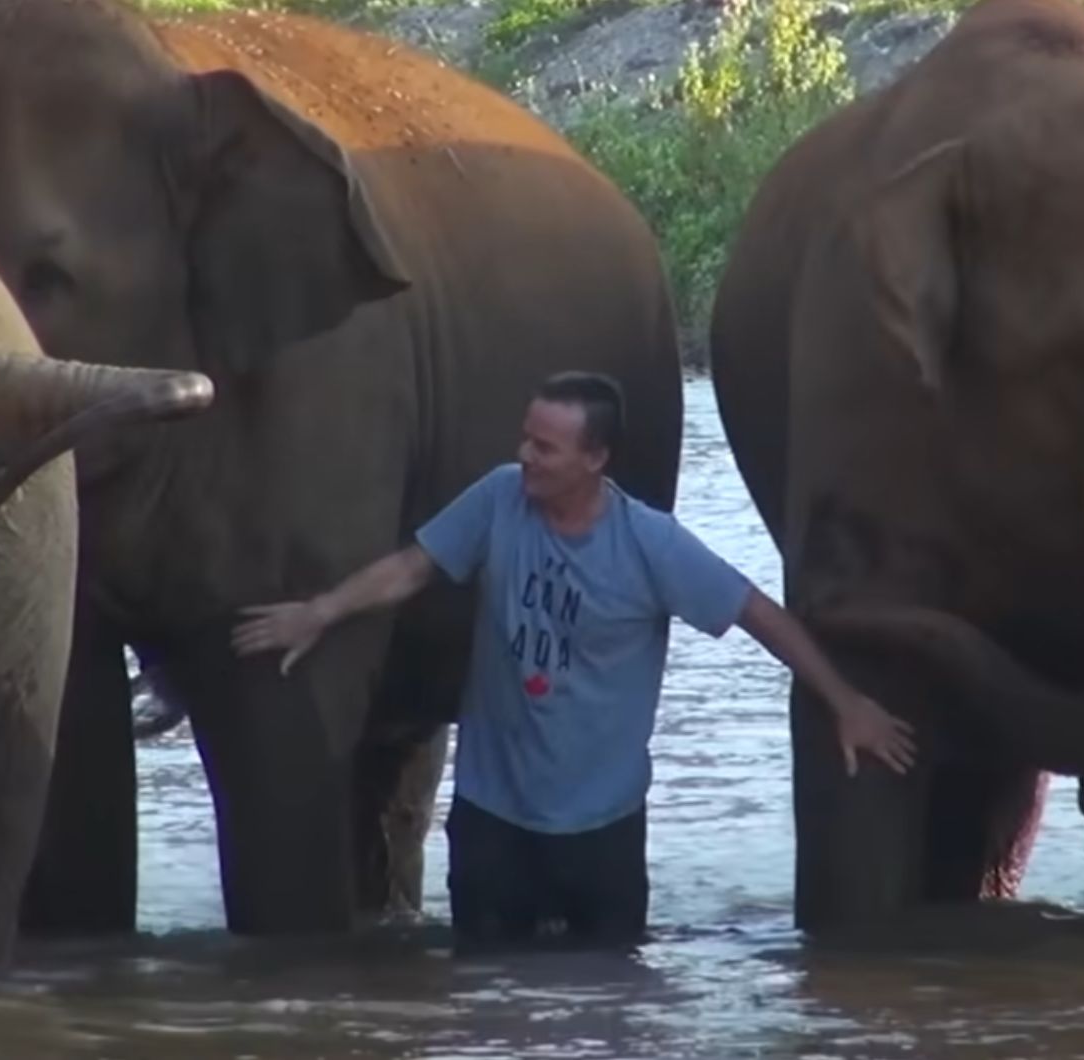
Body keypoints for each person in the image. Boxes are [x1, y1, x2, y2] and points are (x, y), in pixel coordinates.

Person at [230, 371, 916, 951]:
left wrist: (846, 702)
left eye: (545, 448)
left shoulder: (651, 545)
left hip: (601, 829)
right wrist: (317, 613)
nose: (526, 455)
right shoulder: (499, 498)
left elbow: (758, 614)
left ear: (595, 459)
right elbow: (411, 569)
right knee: (488, 1007)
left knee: (608, 1008)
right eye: (526, 438)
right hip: (493, 815)